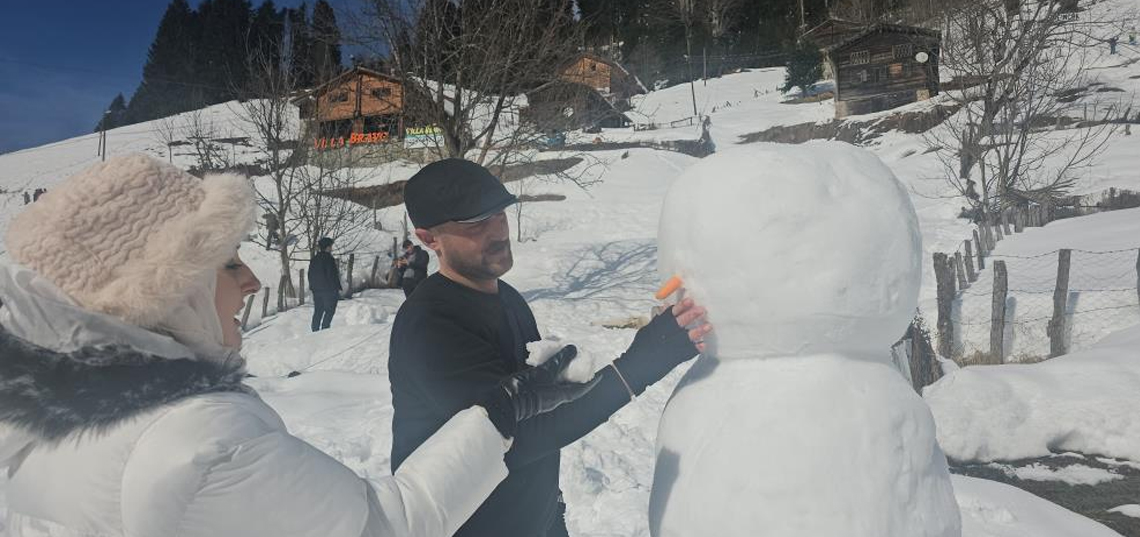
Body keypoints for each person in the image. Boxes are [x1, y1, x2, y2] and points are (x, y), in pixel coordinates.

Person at [0, 153, 600, 537]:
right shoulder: (199, 445)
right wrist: (501, 412)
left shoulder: (28, 435)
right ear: (164, 289)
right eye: (227, 262)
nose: (253, 281)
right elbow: (386, 527)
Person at [390, 159, 713, 537]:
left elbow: (548, 397)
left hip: (538, 520)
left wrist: (661, 336)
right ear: (430, 239)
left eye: (499, 215)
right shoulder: (430, 327)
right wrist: (645, 360)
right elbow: (511, 439)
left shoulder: (507, 299)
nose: (497, 232)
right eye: (475, 225)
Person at [308, 236, 341, 332]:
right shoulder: (329, 259)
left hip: (316, 290)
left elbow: (310, 274)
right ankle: (325, 330)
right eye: (331, 246)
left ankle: (315, 331)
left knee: (318, 311)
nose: (331, 248)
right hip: (329, 290)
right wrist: (336, 289)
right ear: (327, 247)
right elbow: (332, 275)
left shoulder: (314, 259)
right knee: (330, 311)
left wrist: (313, 287)